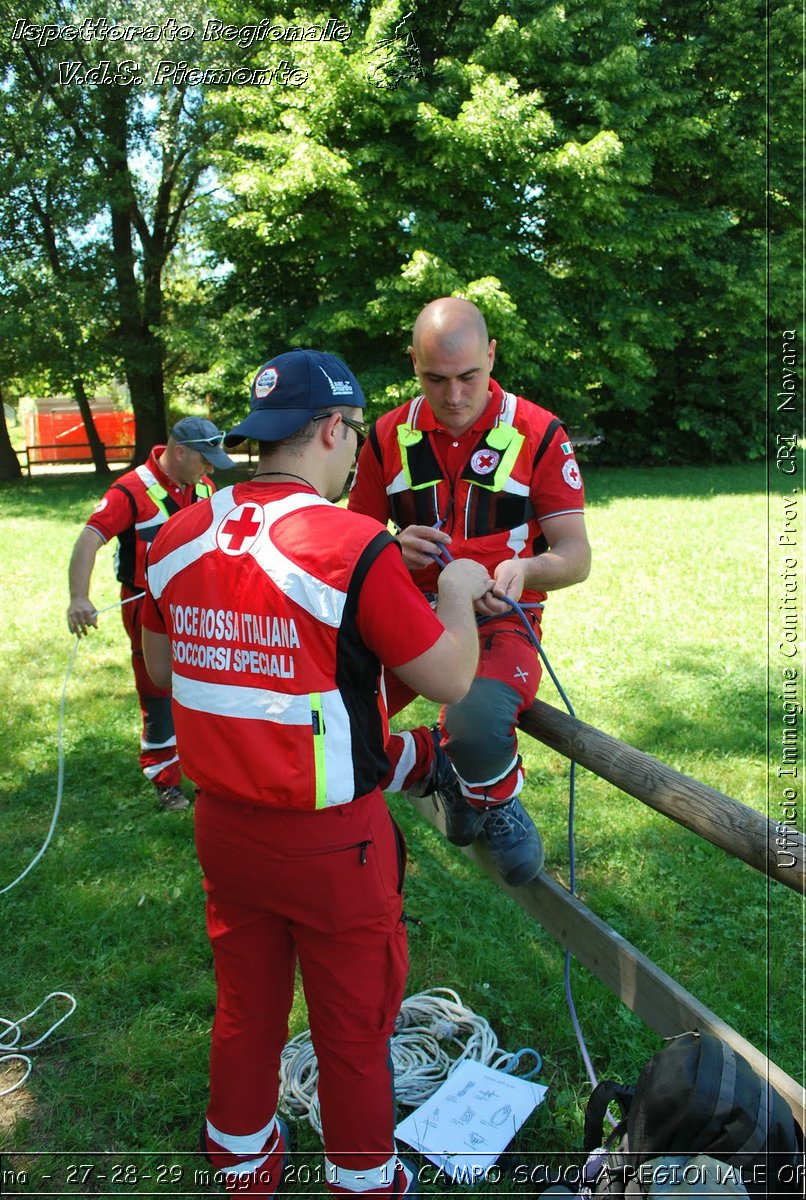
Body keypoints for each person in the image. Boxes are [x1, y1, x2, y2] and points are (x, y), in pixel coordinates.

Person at [140, 348, 494, 1198]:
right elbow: (448, 677)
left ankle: (241, 1156)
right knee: (352, 1024)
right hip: (334, 844)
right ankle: (365, 1179)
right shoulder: (351, 542)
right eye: (354, 439)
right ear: (335, 430)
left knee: (246, 1003)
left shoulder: (177, 532)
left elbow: (159, 667)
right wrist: (457, 589)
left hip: (224, 825)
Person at [348, 297, 592, 886]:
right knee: (336, 718)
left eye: (468, 378)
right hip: (409, 616)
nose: (453, 397)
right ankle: (443, 767)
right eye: (435, 379)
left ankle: (496, 795)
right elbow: (352, 540)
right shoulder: (385, 436)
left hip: (500, 617)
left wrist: (525, 572)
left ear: (491, 355)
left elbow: (576, 555)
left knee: (478, 722)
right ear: (412, 363)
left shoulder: (539, 431)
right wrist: (387, 547)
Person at [66, 417, 235, 811]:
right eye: (205, 460)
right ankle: (166, 779)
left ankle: (210, 770)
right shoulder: (130, 491)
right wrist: (79, 598)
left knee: (207, 683)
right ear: (180, 452)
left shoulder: (204, 487)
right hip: (145, 607)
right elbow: (89, 540)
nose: (210, 470)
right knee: (158, 692)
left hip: (198, 604)